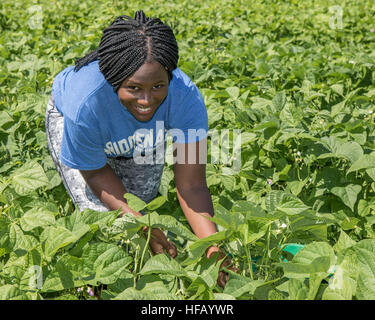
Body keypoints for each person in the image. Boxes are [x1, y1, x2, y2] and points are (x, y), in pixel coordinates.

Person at [45, 10, 235, 287]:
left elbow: (192, 184)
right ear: (114, 80)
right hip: (80, 129)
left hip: (137, 138)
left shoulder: (185, 97)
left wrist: (213, 248)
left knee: (141, 203)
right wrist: (140, 225)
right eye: (133, 88)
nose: (147, 100)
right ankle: (93, 286)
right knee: (109, 223)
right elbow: (95, 171)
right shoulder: (85, 103)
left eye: (158, 85)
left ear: (169, 77)